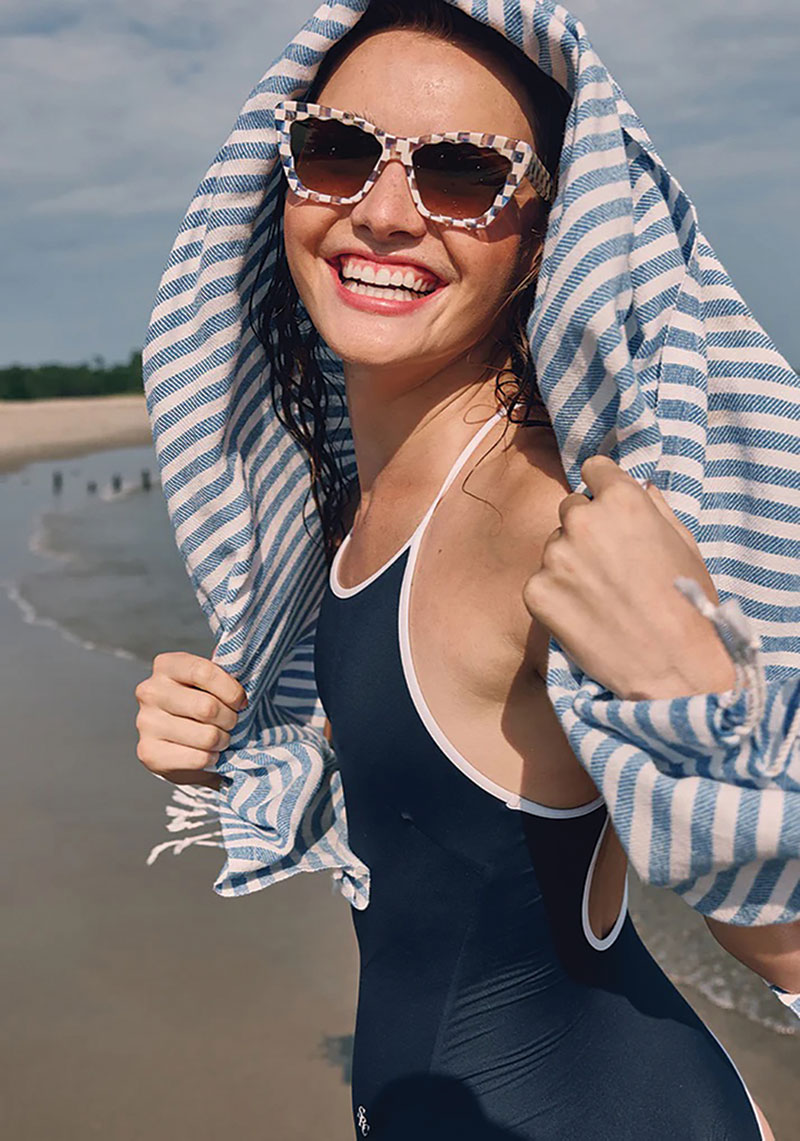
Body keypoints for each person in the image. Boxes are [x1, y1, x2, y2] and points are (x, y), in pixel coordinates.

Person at [135, 1, 800, 1136]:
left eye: (461, 175)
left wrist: (704, 703)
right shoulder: (369, 498)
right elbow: (441, 806)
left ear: (544, 233)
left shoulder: (541, 515)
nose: (382, 215)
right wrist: (234, 756)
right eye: (337, 152)